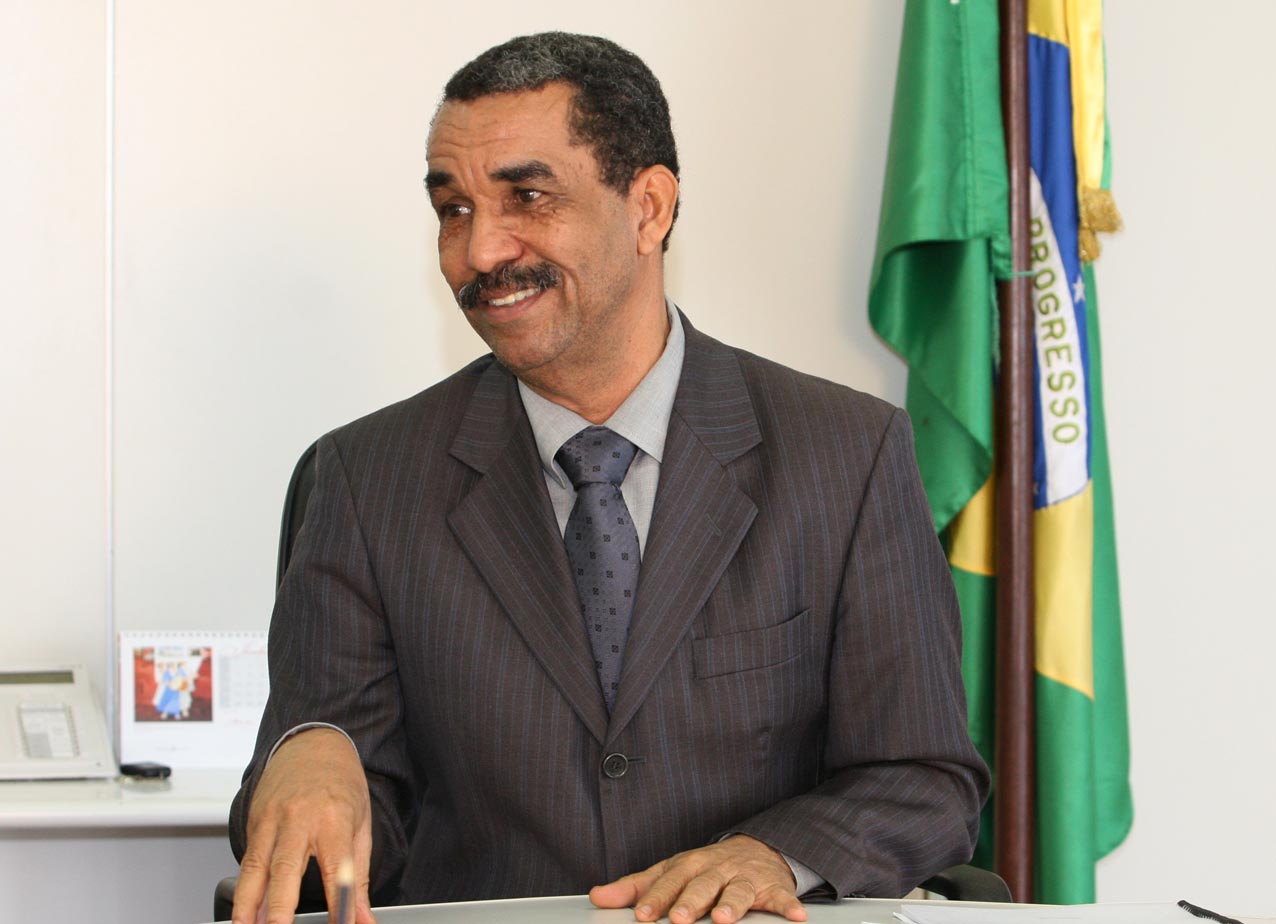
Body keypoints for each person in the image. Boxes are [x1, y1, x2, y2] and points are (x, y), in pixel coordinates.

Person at [229, 31, 988, 924]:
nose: (479, 252)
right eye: (454, 209)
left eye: (527, 197)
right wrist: (314, 753)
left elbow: (925, 779)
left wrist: (776, 855)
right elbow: (342, 821)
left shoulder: (846, 454)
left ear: (650, 208)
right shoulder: (363, 479)